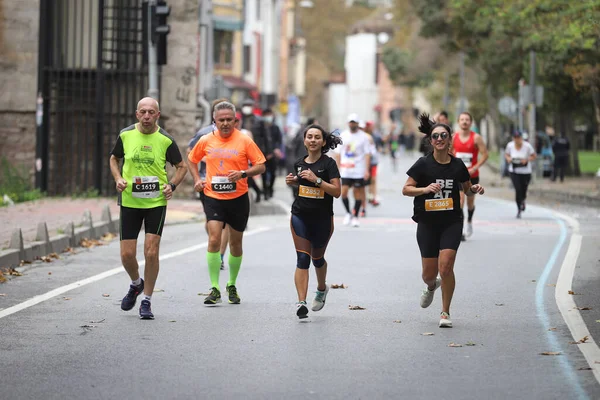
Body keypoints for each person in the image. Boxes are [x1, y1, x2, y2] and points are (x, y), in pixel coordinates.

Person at [402, 114, 485, 328]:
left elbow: (466, 189)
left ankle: (445, 312)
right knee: (429, 274)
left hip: (451, 222)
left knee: (446, 267)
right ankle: (431, 287)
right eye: (435, 136)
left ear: (450, 140)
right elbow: (406, 189)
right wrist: (424, 189)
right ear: (431, 141)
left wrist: (474, 189)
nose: (439, 139)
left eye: (443, 136)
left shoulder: (457, 166)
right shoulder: (422, 164)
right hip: (427, 223)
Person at [109, 97, 188, 320]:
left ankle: (147, 301)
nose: (146, 116)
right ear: (137, 114)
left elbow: (181, 167)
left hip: (155, 202)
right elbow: (114, 158)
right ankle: (136, 284)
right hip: (130, 201)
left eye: (151, 112)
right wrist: (118, 178)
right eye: (142, 112)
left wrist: (171, 185)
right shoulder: (125, 135)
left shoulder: (165, 140)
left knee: (151, 251)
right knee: (126, 255)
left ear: (157, 115)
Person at [188, 101, 266, 305]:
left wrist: (243, 173)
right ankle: (214, 287)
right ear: (214, 121)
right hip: (213, 196)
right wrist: (197, 179)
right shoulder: (205, 140)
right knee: (214, 239)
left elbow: (261, 166)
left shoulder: (244, 140)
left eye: (228, 120)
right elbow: (191, 159)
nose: (225, 124)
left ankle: (231, 284)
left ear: (236, 121)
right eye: (221, 120)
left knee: (235, 243)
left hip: (238, 198)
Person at [286, 125, 342, 319]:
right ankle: (301, 302)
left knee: (317, 259)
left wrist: (317, 180)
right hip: (300, 216)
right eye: (309, 137)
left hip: (323, 220)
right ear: (304, 140)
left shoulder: (329, 164)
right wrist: (295, 181)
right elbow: (304, 186)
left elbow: (336, 192)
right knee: (303, 259)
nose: (312, 140)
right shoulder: (299, 163)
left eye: (317, 137)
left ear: (323, 142)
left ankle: (321, 288)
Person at [188, 98, 230, 270]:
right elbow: (190, 151)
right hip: (208, 183)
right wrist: (203, 159)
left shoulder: (235, 134)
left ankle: (219, 255)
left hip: (229, 184)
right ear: (214, 115)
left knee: (226, 222)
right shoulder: (204, 133)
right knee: (212, 222)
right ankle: (214, 239)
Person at [451, 111, 488, 241]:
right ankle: (460, 230)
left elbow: (485, 155)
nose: (465, 122)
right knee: (460, 201)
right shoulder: (454, 137)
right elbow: (449, 154)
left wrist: (475, 168)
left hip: (472, 175)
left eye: (467, 119)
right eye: (462, 119)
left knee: (470, 202)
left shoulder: (476, 138)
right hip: (458, 175)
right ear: (458, 122)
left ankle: (470, 222)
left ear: (470, 122)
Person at [333, 113, 371, 227]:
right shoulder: (343, 135)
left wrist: (367, 170)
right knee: (343, 192)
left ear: (357, 124)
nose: (352, 124)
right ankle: (348, 213)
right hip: (346, 169)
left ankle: (355, 215)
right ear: (348, 123)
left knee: (357, 193)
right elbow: (338, 153)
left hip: (358, 169)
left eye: (354, 122)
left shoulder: (363, 136)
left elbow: (367, 154)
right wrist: (338, 167)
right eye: (350, 122)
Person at [505, 130, 536, 218]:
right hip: (514, 171)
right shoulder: (510, 145)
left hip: (525, 171)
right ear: (513, 138)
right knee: (518, 189)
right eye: (515, 138)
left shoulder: (527, 146)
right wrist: (509, 159)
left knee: (524, 189)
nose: (517, 140)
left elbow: (534, 156)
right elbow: (506, 155)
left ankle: (523, 200)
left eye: (518, 138)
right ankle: (519, 208)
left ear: (521, 138)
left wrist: (526, 160)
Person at [262, 108, 283, 198]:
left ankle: (270, 188)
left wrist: (276, 149)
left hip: (273, 154)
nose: (268, 117)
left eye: (269, 115)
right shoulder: (261, 127)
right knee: (263, 172)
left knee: (273, 173)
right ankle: (265, 190)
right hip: (262, 154)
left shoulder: (275, 127)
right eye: (266, 115)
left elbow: (279, 140)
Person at [363, 121, 380, 214]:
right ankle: (366, 198)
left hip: (373, 162)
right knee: (364, 182)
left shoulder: (375, 136)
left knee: (373, 180)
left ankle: (373, 197)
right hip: (364, 162)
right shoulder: (363, 136)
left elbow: (382, 142)